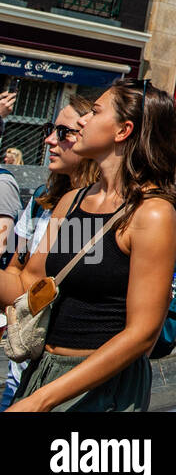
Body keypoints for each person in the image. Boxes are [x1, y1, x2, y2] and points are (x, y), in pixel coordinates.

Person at [0, 80, 176, 412]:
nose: (82, 120)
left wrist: (41, 401)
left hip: (101, 389)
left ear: (123, 130)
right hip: (44, 372)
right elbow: (30, 286)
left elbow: (142, 334)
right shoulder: (72, 201)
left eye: (96, 112)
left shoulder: (152, 214)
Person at [1, 99, 99, 408]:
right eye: (49, 129)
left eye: (62, 132)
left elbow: (53, 285)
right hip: (22, 366)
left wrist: (24, 291)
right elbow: (20, 269)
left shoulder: (88, 209)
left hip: (62, 375)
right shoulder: (40, 202)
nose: (49, 140)